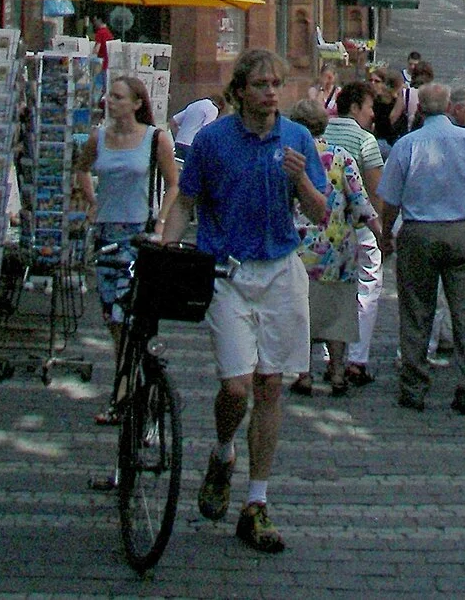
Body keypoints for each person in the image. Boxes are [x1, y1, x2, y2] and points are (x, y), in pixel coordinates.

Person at [161, 49, 328, 555]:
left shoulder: (297, 139)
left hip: (279, 269)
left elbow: (322, 214)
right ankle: (223, 451)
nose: (271, 92)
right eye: (260, 84)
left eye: (276, 83)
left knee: (270, 384)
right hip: (227, 271)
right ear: (240, 91)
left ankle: (256, 502)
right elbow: (186, 202)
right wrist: (166, 247)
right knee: (235, 388)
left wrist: (299, 179)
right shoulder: (212, 141)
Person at [377, 82, 465, 415]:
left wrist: (385, 234)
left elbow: (389, 200)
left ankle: (414, 388)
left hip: (419, 233)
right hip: (464, 233)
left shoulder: (406, 145)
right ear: (449, 107)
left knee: (416, 313)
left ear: (419, 110)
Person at [77, 76, 179, 355]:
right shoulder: (99, 138)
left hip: (138, 235)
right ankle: (124, 365)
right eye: (110, 96)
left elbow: (173, 184)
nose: (111, 101)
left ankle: (133, 366)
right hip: (105, 232)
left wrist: (161, 222)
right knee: (111, 312)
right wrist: (92, 201)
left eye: (119, 97)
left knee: (129, 307)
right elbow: (82, 168)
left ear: (136, 104)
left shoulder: (155, 138)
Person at [287, 99, 377, 397]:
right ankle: (337, 372)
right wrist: (381, 235)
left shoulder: (291, 158)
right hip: (338, 246)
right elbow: (361, 204)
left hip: (299, 245)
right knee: (339, 311)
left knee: (303, 310)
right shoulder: (342, 158)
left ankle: (304, 373)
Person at [324, 80, 385, 385]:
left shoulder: (321, 132)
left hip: (322, 226)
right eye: (370, 107)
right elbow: (375, 191)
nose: (373, 114)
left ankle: (326, 358)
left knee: (327, 290)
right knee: (367, 288)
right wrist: (382, 230)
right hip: (358, 225)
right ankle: (356, 360)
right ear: (356, 107)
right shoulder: (365, 140)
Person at [171, 94, 221, 162]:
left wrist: (178, 135)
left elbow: (173, 121)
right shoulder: (213, 109)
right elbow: (207, 130)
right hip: (193, 145)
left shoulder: (193, 105)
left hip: (179, 143)